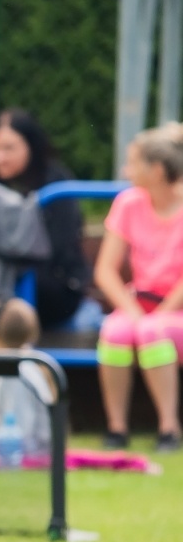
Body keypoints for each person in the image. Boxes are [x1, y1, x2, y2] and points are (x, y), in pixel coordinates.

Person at [93, 124, 183, 452]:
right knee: (114, 332)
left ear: (156, 170)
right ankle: (116, 429)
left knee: (152, 332)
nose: (125, 171)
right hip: (140, 305)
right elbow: (105, 270)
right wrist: (132, 311)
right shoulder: (128, 203)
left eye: (133, 163)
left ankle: (168, 429)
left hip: (175, 309)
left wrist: (159, 314)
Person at [0, 110, 89, 328]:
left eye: (9, 148)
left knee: (18, 284)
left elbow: (60, 245)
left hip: (49, 284)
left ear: (31, 146)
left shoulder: (56, 184)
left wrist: (7, 261)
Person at [0, 298, 54, 470]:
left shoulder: (16, 373)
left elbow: (18, 433)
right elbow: (0, 421)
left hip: (28, 454)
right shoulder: (20, 365)